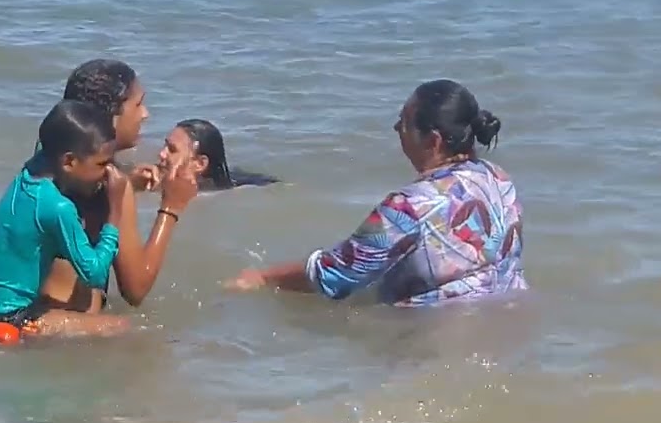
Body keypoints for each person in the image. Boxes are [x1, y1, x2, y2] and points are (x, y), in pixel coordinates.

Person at [225, 79, 527, 307]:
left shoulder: (407, 208)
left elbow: (336, 275)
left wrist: (262, 278)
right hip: (506, 316)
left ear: (433, 141)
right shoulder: (497, 178)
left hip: (437, 338)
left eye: (404, 123)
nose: (396, 128)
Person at [0, 100, 132, 338]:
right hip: (1, 319)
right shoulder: (58, 208)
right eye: (102, 164)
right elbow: (95, 274)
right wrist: (116, 209)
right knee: (121, 328)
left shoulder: (31, 171)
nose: (110, 172)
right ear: (68, 162)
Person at [40, 59, 200, 311]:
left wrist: (130, 187)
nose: (145, 114)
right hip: (71, 333)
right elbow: (135, 289)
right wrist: (172, 206)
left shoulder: (57, 165)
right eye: (137, 105)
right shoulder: (112, 184)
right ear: (111, 118)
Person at [136, 118, 279, 192]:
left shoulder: (210, 195)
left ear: (200, 164)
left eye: (172, 150)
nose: (161, 154)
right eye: (165, 145)